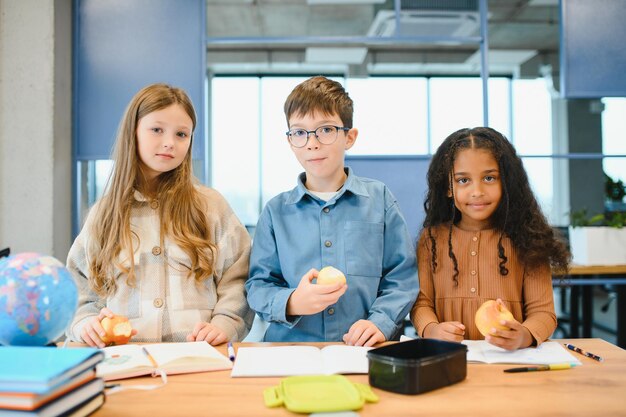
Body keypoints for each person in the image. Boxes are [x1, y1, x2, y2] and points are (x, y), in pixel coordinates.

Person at [66, 83, 254, 347]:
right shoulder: (103, 215)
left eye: (181, 134)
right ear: (134, 132)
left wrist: (225, 322)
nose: (169, 142)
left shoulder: (212, 207)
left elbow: (240, 276)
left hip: (199, 360)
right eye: (157, 130)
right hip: (124, 362)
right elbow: (79, 290)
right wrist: (85, 323)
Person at [246, 76, 418, 346]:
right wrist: (291, 302)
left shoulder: (379, 199)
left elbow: (402, 276)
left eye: (325, 130)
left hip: (365, 349)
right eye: (300, 132)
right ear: (290, 141)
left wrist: (380, 322)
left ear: (349, 137)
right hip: (291, 349)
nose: (312, 143)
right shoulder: (275, 212)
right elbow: (258, 286)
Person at [411, 127, 570, 350]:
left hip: (511, 364)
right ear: (448, 187)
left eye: (489, 178)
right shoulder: (431, 240)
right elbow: (421, 303)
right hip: (448, 359)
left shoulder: (527, 239)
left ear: (507, 183)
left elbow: (543, 313)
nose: (477, 191)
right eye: (463, 180)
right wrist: (431, 329)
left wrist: (523, 335)